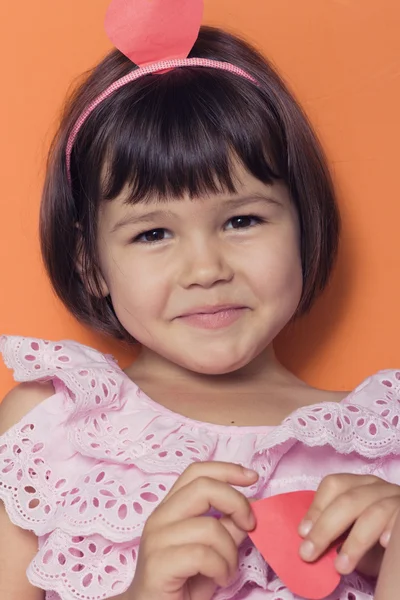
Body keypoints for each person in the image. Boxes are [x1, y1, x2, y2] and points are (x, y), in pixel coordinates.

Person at [1, 1, 400, 599]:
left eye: (241, 220)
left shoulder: (382, 443)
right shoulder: (53, 428)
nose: (207, 269)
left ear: (304, 224)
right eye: (153, 233)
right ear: (91, 263)